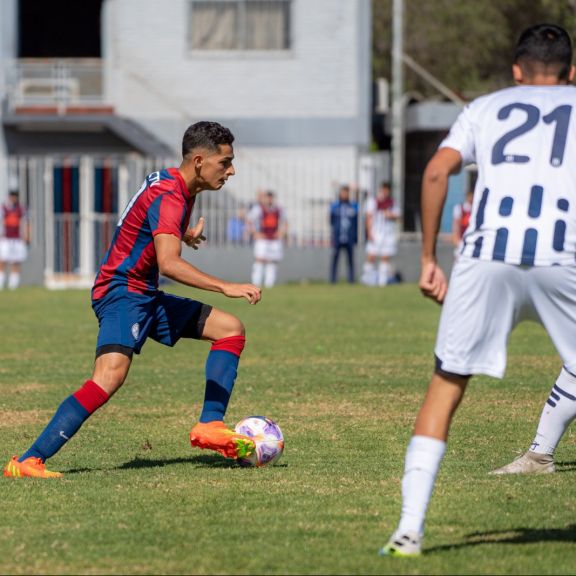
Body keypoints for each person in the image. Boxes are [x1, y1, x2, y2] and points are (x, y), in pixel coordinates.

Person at [380, 24, 576, 556]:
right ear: (571, 72)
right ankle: (540, 451)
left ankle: (409, 530)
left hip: (485, 256)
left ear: (517, 70)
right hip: (564, 255)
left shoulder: (485, 108)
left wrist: (427, 259)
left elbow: (438, 172)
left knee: (446, 386)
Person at [4, 121, 262, 479]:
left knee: (230, 329)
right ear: (200, 161)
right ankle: (27, 461)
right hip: (122, 291)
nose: (231, 170)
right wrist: (226, 286)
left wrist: (181, 234)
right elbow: (168, 263)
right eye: (226, 162)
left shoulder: (173, 182)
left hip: (143, 293)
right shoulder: (172, 196)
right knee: (108, 378)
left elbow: (142, 217)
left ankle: (210, 425)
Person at [361, 182, 400, 286]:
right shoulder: (373, 201)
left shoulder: (393, 203)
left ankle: (382, 281)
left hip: (388, 233)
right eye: (384, 189)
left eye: (387, 189)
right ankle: (367, 278)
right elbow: (368, 217)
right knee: (371, 255)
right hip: (376, 232)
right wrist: (369, 232)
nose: (385, 191)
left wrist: (390, 215)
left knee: (385, 256)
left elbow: (398, 216)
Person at [247, 190, 287, 288]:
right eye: (267, 197)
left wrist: (281, 232)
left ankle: (269, 285)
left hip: (274, 239)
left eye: (271, 197)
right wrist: (255, 233)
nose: (269, 200)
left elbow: (286, 222)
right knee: (260, 260)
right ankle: (256, 283)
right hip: (262, 239)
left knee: (272, 261)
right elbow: (249, 220)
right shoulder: (258, 209)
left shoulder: (278, 209)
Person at [0, 190, 29, 290]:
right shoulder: (3, 209)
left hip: (17, 239)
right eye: (11, 196)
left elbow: (25, 222)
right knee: (2, 260)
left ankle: (13, 285)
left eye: (15, 196)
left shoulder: (21, 209)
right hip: (6, 238)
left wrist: (27, 235)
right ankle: (1, 283)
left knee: (16, 261)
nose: (13, 198)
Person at [329, 184, 358, 283]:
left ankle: (351, 280)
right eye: (343, 193)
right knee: (335, 259)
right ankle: (333, 280)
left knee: (350, 260)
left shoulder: (353, 205)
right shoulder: (335, 206)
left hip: (349, 237)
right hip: (337, 237)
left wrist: (356, 191)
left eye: (346, 193)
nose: (344, 195)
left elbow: (357, 219)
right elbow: (331, 220)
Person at [451, 189, 474, 256]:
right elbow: (456, 227)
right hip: (462, 242)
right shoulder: (459, 208)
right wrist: (459, 243)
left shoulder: (477, 208)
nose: (471, 198)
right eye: (470, 196)